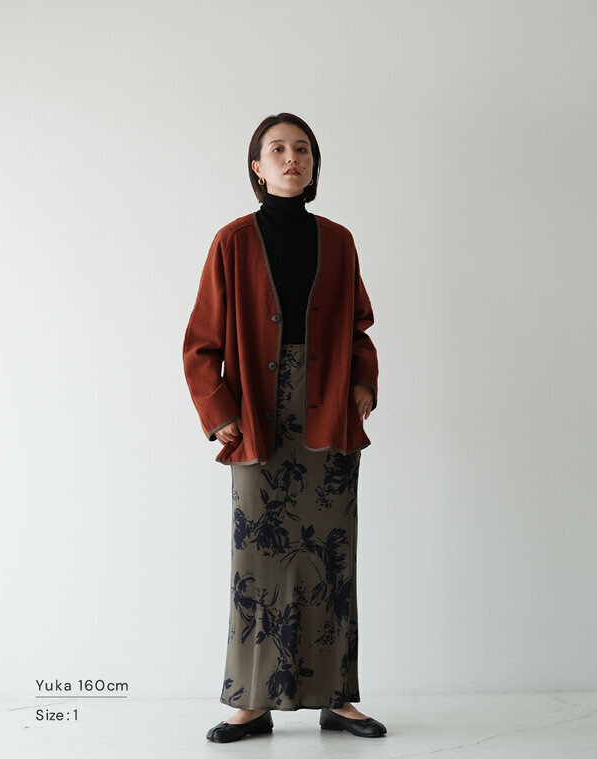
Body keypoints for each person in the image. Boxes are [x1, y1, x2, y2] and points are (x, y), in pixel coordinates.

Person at [182, 112, 386, 742]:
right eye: (277, 149)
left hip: (329, 408)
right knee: (258, 558)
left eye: (302, 149)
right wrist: (219, 412)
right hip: (257, 414)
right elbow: (200, 343)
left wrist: (362, 382)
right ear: (258, 167)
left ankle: (337, 697)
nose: (291, 157)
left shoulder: (340, 241)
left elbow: (358, 329)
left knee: (331, 556)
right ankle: (250, 701)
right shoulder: (231, 242)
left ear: (314, 165)